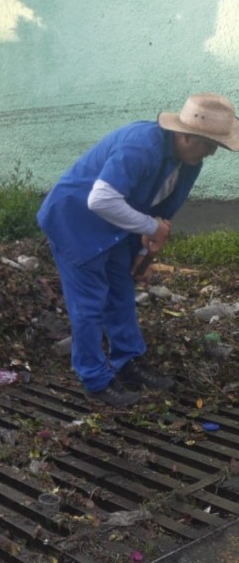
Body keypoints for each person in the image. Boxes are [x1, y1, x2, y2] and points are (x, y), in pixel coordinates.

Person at [37, 93, 239, 407]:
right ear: (186, 135)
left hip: (114, 226)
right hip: (74, 222)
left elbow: (159, 214)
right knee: (89, 304)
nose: (213, 152)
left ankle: (127, 362)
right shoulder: (141, 145)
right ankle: (95, 380)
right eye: (209, 143)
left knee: (120, 292)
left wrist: (143, 257)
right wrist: (149, 227)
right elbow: (100, 200)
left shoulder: (189, 162)